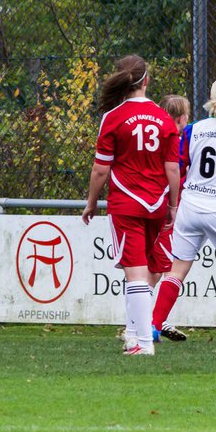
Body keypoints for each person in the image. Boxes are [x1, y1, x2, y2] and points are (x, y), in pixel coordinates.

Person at [82, 55, 180, 356]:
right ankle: (133, 335)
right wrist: (173, 205)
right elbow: (173, 168)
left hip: (127, 203)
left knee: (135, 273)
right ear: (146, 81)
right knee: (145, 272)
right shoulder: (164, 118)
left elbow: (101, 169)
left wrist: (91, 202)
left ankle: (143, 343)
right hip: (156, 204)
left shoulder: (113, 117)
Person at [150, 77, 216, 341]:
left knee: (177, 270)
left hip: (190, 206)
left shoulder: (192, 130)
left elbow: (179, 166)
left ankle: (152, 327)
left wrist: (173, 204)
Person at [149, 94, 190, 342]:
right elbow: (174, 171)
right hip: (167, 208)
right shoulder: (173, 138)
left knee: (163, 265)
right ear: (181, 117)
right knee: (160, 266)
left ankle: (156, 320)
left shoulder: (158, 135)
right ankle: (141, 322)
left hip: (154, 204)